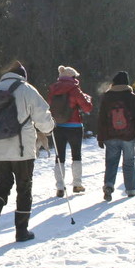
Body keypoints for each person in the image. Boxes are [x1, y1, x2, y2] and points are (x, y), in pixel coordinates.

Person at [0, 61, 55, 242]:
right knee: (24, 187)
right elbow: (43, 118)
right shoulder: (27, 89)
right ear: (23, 75)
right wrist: (49, 128)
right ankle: (21, 231)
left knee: (3, 184)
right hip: (22, 150)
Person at [96, 71, 135, 200]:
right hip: (128, 136)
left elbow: (102, 119)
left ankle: (108, 186)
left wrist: (100, 137)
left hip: (110, 136)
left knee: (111, 162)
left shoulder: (106, 98)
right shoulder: (133, 98)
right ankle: (131, 189)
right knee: (129, 163)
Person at [47, 65, 93, 196]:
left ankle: (60, 187)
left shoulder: (53, 89)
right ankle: (77, 184)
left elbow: (48, 106)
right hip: (74, 126)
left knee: (59, 157)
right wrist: (88, 99)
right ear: (72, 77)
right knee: (76, 155)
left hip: (58, 126)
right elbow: (87, 108)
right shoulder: (74, 89)